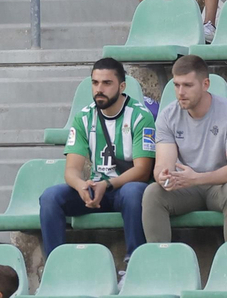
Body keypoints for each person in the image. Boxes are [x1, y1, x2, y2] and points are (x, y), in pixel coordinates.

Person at [36, 56, 154, 257]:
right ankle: (56, 266)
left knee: (134, 193)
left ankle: (135, 262)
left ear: (122, 86)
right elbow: (72, 169)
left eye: (107, 83)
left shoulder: (141, 116)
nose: (99, 89)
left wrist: (107, 185)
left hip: (123, 188)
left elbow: (142, 171)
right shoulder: (83, 117)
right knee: (50, 197)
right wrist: (80, 186)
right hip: (96, 188)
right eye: (95, 82)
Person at [142, 54, 227, 243]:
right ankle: (160, 265)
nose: (181, 92)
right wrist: (163, 176)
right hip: (187, 187)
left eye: (188, 85)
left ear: (205, 84)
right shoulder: (168, 116)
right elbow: (162, 164)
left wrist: (198, 178)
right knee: (153, 193)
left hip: (222, 184)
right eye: (176, 85)